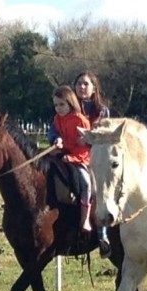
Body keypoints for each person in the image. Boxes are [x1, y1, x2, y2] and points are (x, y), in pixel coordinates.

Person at [48, 71, 112, 257]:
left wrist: (90, 138)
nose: (81, 87)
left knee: (96, 187)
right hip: (68, 152)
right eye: (78, 84)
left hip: (93, 156)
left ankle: (102, 234)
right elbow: (54, 130)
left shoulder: (102, 111)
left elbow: (104, 134)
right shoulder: (65, 107)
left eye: (85, 84)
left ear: (94, 88)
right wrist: (56, 139)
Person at [51, 85, 94, 235]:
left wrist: (72, 157)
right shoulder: (57, 119)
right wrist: (57, 140)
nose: (58, 108)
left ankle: (85, 218)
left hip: (80, 158)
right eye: (56, 105)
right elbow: (55, 134)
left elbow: (85, 146)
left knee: (86, 183)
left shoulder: (81, 120)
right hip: (62, 153)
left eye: (62, 104)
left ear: (70, 102)